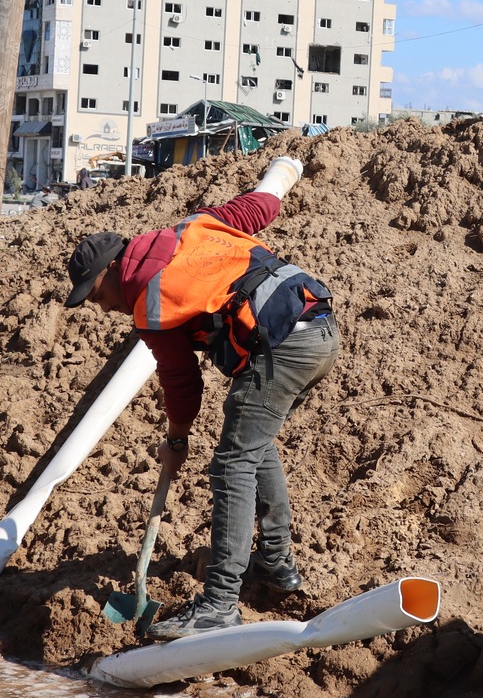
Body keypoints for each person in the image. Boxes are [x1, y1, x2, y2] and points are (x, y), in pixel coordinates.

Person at [64, 182, 337, 640]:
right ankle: (275, 563)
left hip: (285, 345)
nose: (104, 307)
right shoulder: (195, 227)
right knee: (251, 441)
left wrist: (176, 440)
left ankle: (219, 605)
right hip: (318, 327)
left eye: (96, 295)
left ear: (112, 270)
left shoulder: (150, 302)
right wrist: (279, 183)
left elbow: (182, 383)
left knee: (232, 464)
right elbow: (256, 207)